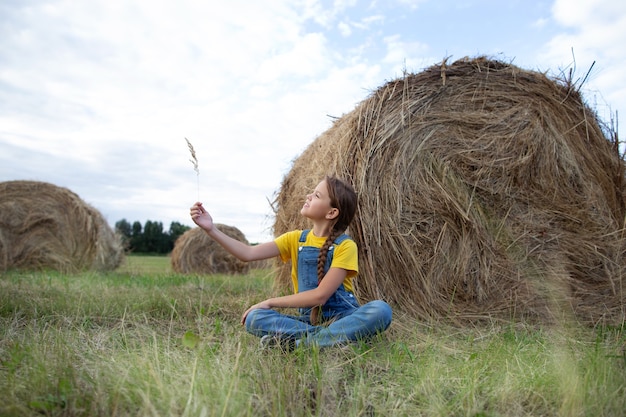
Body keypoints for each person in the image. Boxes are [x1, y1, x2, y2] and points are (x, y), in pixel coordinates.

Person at [190, 175, 392, 350]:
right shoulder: (295, 239)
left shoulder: (345, 246)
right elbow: (248, 253)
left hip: (343, 317)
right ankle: (331, 338)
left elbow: (320, 297)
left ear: (331, 213)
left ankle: (300, 344)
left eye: (317, 195)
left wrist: (269, 302)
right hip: (308, 321)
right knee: (255, 319)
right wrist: (211, 229)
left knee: (381, 310)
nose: (308, 196)